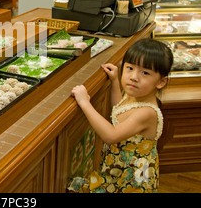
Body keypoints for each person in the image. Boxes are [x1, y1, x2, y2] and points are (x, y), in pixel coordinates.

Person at [69, 38, 173, 193]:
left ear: (161, 82)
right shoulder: (134, 96)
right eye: (130, 68)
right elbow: (120, 110)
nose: (134, 77)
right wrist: (115, 81)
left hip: (132, 178)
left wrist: (84, 102)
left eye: (145, 72)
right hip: (121, 167)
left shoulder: (147, 112)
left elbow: (111, 135)